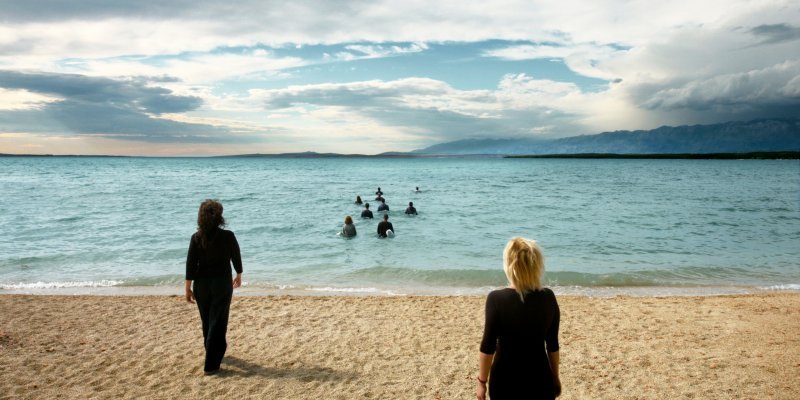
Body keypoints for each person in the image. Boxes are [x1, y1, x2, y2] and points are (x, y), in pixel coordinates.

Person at [477, 237, 561, 400]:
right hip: (540, 379)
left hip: (505, 381)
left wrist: (481, 382)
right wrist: (555, 377)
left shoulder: (496, 299)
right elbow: (552, 345)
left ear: (510, 265)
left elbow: (488, 347)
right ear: (537, 265)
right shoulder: (548, 297)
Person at [185, 199, 243, 376]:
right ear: (220, 217)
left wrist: (187, 287)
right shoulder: (228, 236)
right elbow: (236, 257)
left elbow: (190, 265)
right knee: (218, 320)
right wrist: (239, 274)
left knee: (207, 320)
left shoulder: (196, 238)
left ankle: (214, 350)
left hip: (202, 285)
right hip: (222, 284)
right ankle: (211, 365)